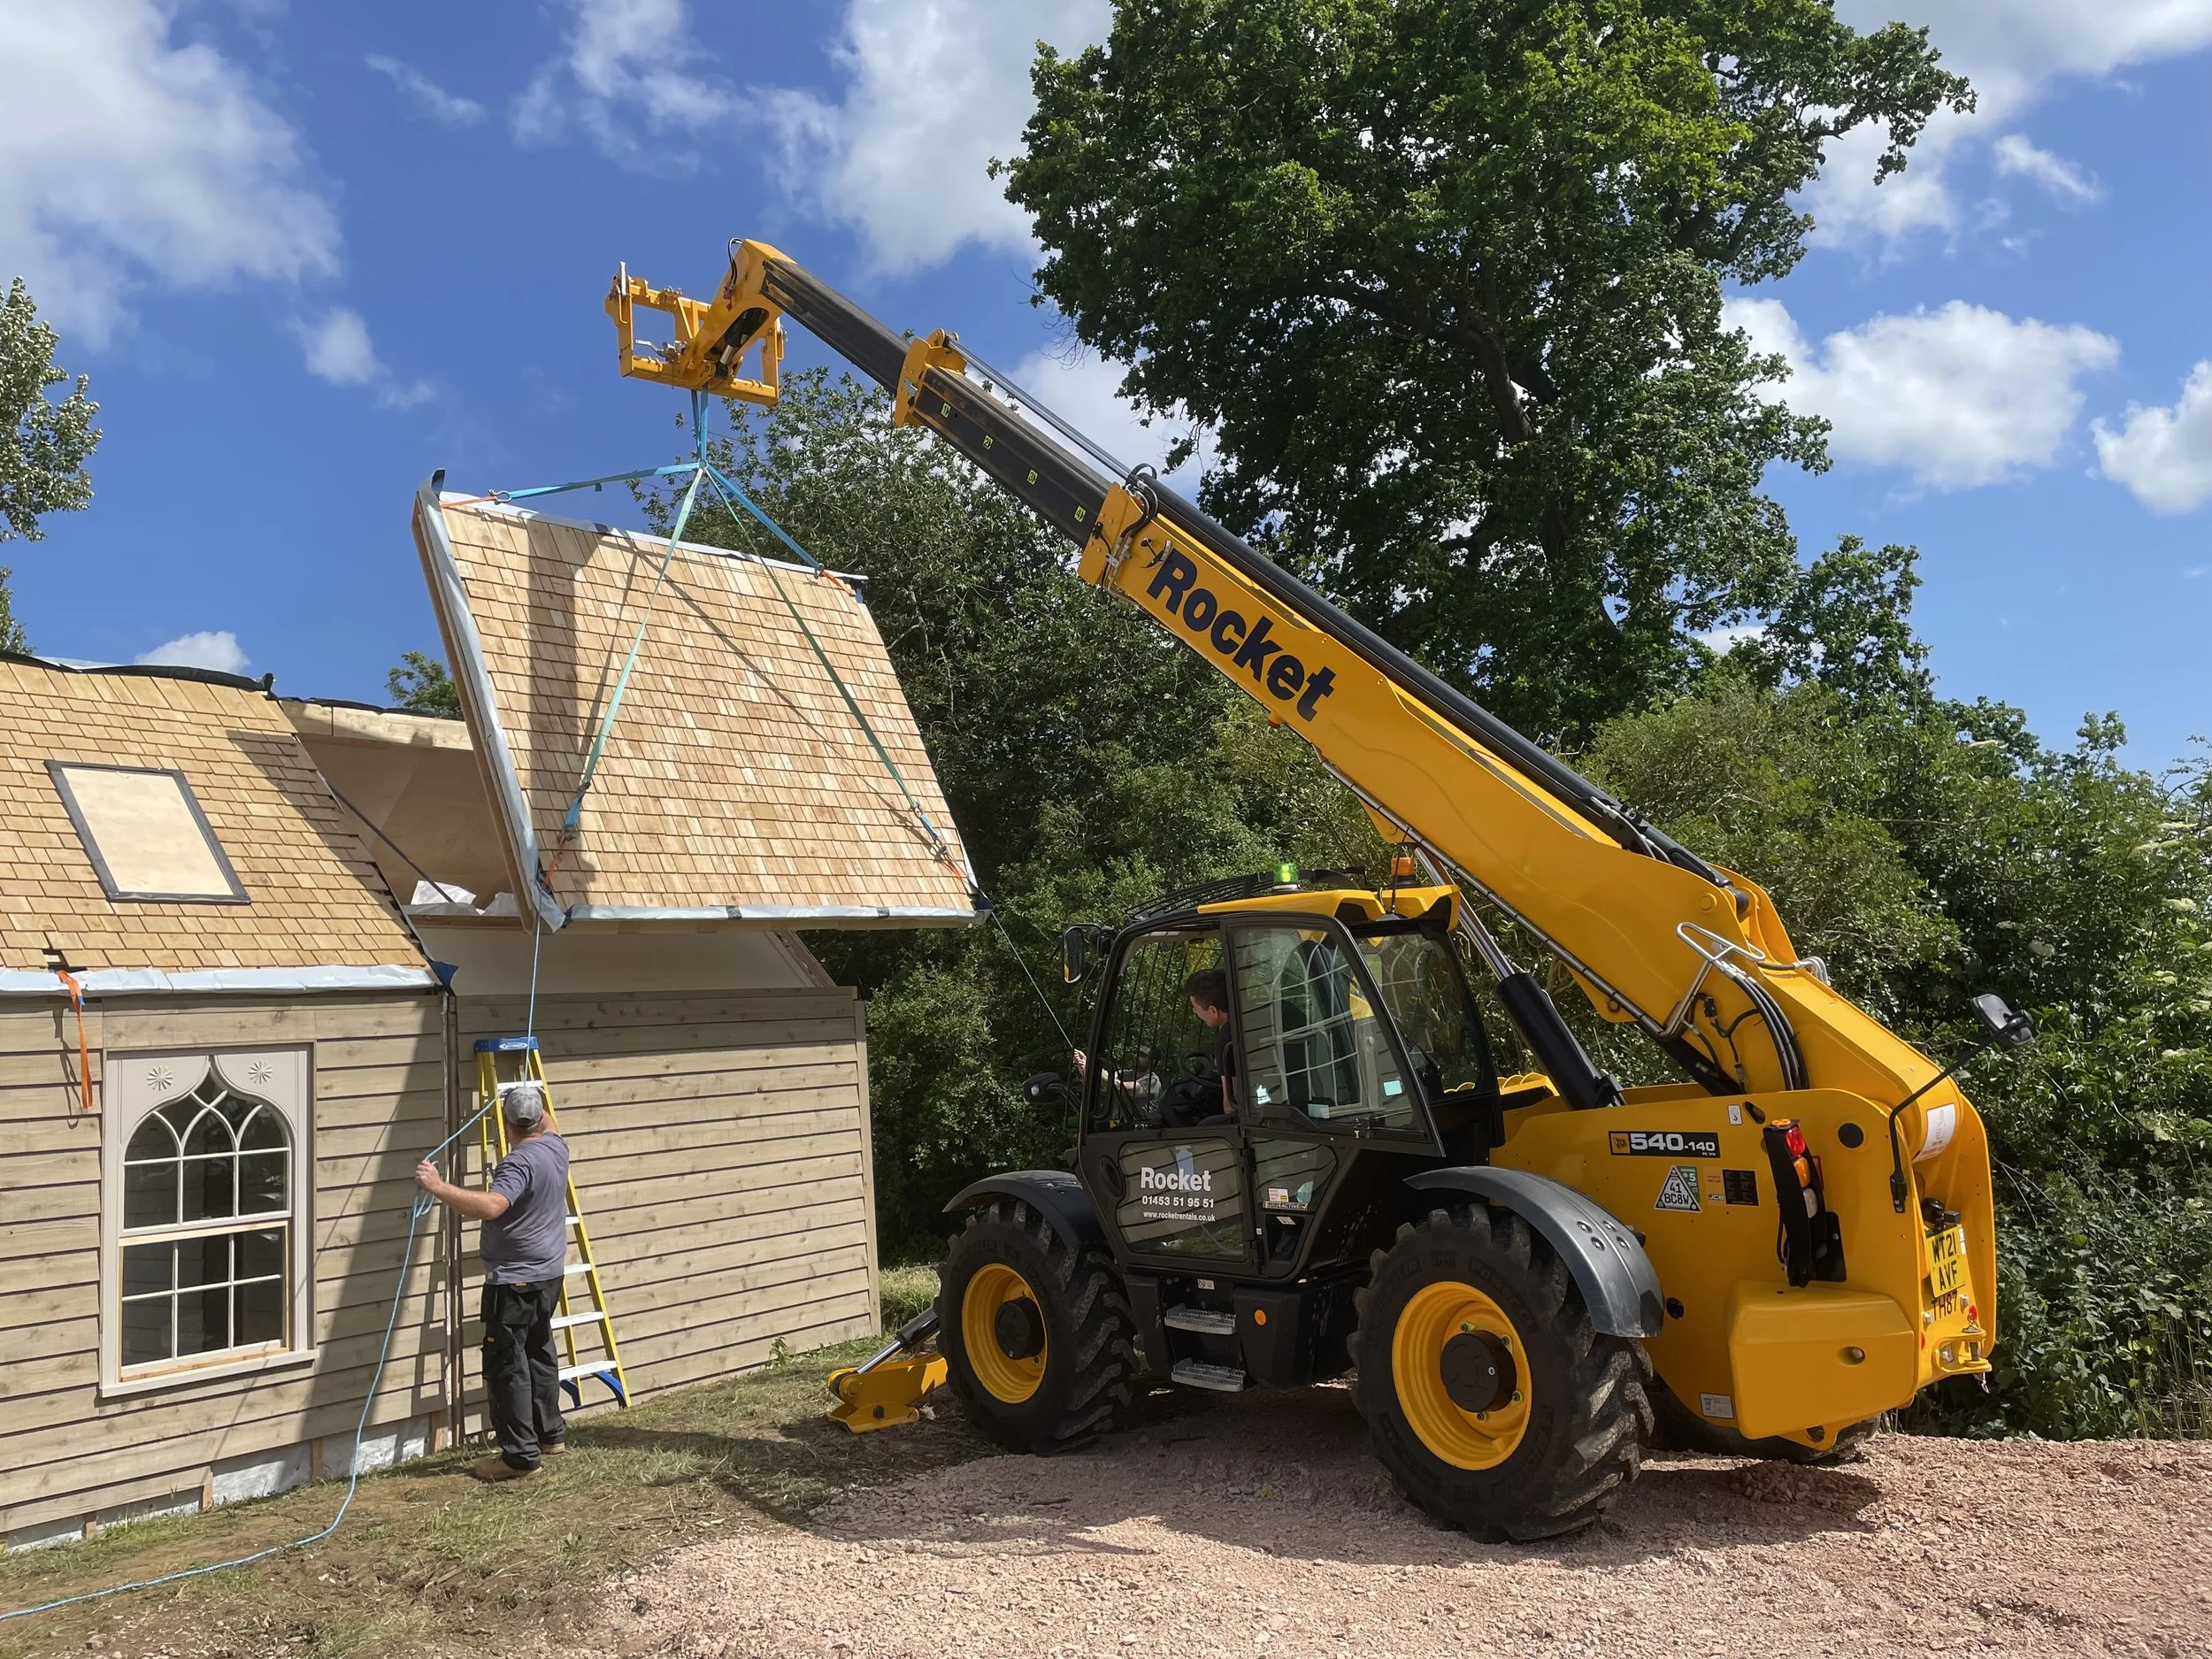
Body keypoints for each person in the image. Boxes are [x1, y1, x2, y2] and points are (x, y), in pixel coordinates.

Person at [414, 1080, 571, 1480]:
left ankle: (520, 1458)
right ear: (539, 1117)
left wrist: (437, 1186)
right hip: (548, 1275)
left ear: (507, 1124)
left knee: (507, 1364)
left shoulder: (518, 1163)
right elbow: (547, 1121)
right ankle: (549, 1434)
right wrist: (527, 1098)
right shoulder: (556, 1146)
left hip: (515, 1282)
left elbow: (492, 1206)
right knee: (538, 1351)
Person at [1185, 966, 1237, 1121]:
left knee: (1205, 1126)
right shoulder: (1268, 1012)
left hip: (1259, 1118)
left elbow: (1232, 1104)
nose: (1194, 1012)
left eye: (1195, 1007)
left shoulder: (1226, 1038)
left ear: (1213, 1011)